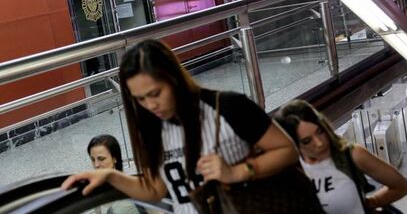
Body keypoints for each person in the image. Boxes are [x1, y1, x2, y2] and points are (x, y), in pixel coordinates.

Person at [62, 39, 300, 214]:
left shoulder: (228, 107)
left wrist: (237, 172)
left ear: (174, 78)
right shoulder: (153, 130)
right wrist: (111, 175)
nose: (150, 104)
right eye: (140, 99)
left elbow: (287, 150)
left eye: (155, 93)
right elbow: (155, 190)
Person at [276, 99, 407, 214]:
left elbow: (400, 186)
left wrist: (370, 204)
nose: (319, 143)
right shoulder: (290, 170)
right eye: (307, 141)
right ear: (293, 143)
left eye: (320, 131)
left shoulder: (352, 155)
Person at [86, 134, 144, 214]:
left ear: (114, 158)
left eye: (101, 159)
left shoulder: (134, 184)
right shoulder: (95, 191)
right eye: (93, 159)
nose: (96, 165)